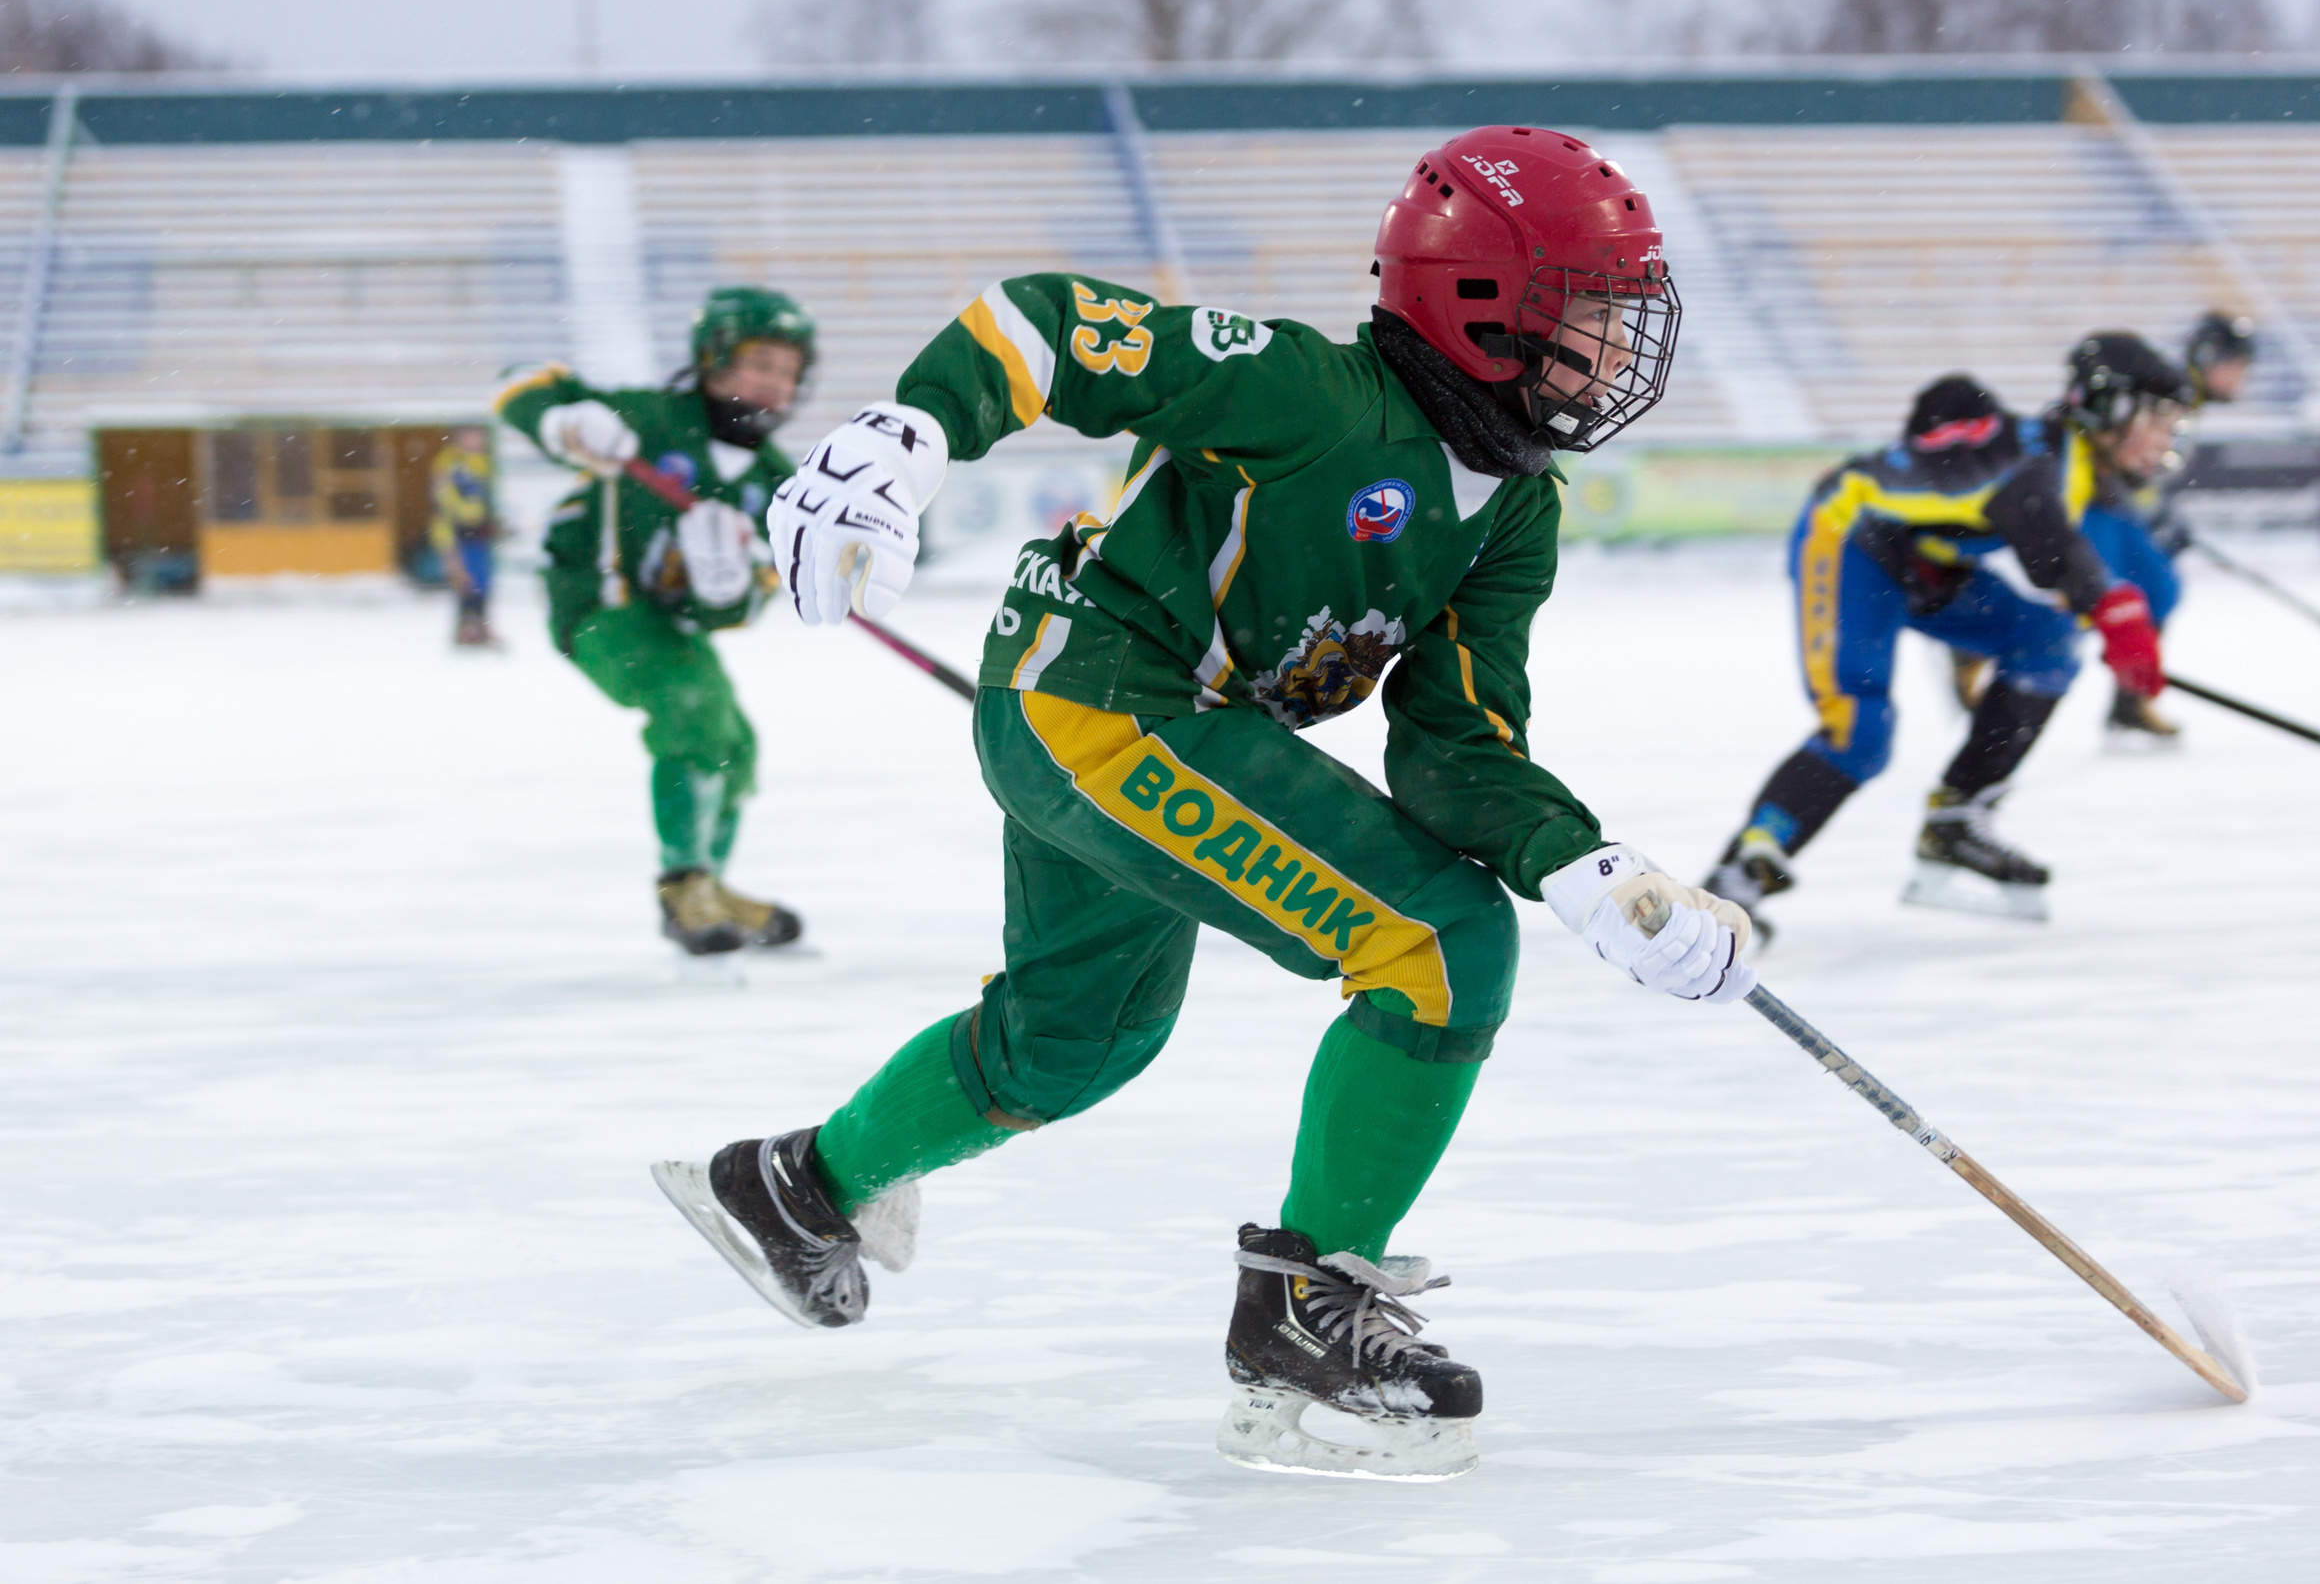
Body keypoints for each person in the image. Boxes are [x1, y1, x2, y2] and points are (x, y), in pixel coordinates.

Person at [649, 126, 1755, 1482]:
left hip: (1147, 719)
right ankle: (1306, 1302)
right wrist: (913, 426)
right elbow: (1051, 325)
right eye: (1588, 315)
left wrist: (1589, 865)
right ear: (1486, 308)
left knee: (1074, 1040)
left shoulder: (1513, 508)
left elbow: (1456, 747)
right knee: (1441, 939)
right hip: (1100, 695)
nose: (1616, 352)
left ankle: (795, 1185)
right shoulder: (1316, 394)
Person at [1704, 345, 2183, 929]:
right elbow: (2042, 530)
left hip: (1917, 558)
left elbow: (2036, 540)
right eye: (2159, 420)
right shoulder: (2046, 461)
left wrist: (2097, 607)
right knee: (1860, 731)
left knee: (2047, 642)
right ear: (2115, 408)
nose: (2167, 438)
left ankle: (1957, 817)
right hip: (1849, 537)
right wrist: (2112, 606)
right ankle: (1733, 880)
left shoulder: (2066, 459)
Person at [496, 286, 816, 956]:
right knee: (689, 705)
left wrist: (734, 587)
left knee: (735, 742)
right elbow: (519, 384)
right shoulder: (651, 419)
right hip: (598, 602)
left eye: (788, 370)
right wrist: (564, 422)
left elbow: (743, 600)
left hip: (665, 624)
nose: (773, 382)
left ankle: (712, 885)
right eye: (759, 362)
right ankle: (685, 886)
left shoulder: (774, 479)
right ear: (713, 358)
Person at [2077, 315, 2250, 746]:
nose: (2242, 378)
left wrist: (2162, 516)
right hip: (2097, 509)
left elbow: (2143, 477)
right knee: (2118, 595)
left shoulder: (2180, 393)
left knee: (2156, 590)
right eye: (2238, 366)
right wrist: (2158, 517)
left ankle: (2130, 700)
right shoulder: (2168, 391)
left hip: (2115, 509)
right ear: (2211, 358)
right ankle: (1986, 640)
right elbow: (2121, 467)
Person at [428, 428, 501, 648]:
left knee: (483, 582)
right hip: (458, 533)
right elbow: (445, 500)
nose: (476, 442)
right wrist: (470, 512)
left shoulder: (486, 463)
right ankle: (466, 629)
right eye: (471, 437)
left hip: (481, 535)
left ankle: (481, 627)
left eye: (478, 437)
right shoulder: (450, 465)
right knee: (464, 581)